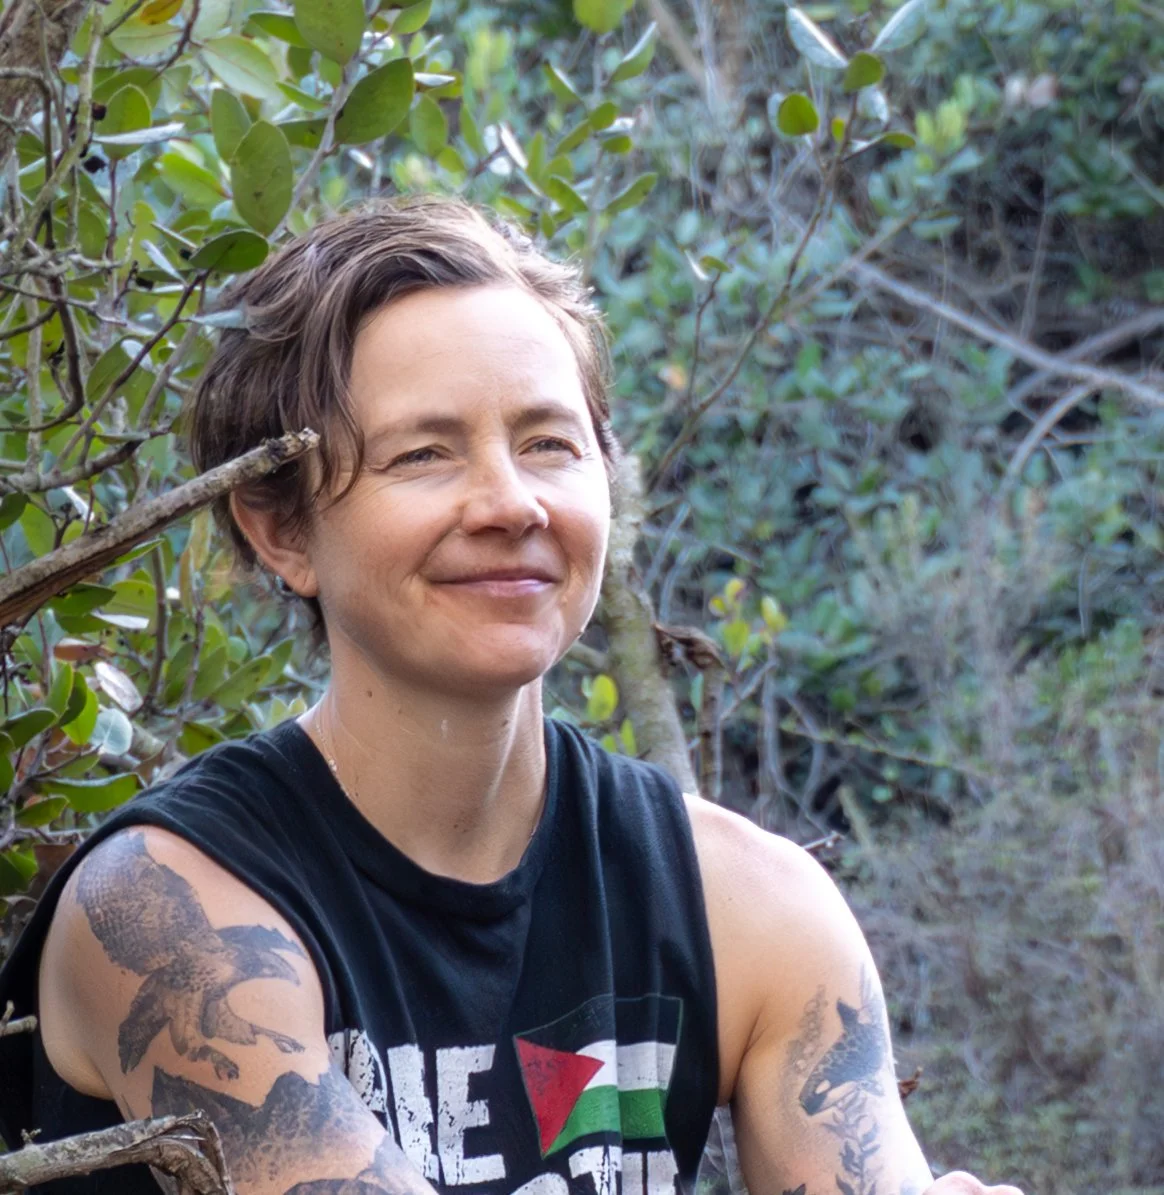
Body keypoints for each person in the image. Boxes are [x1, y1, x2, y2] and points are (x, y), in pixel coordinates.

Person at [0, 197, 1022, 1195]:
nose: (511, 502)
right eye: (424, 453)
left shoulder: (752, 907)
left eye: (548, 442)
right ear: (282, 529)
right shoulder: (172, 916)